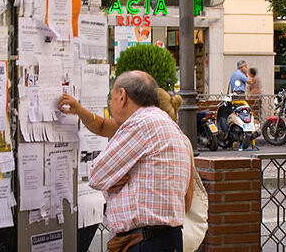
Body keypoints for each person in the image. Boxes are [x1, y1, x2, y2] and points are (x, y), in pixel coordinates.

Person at [58, 70, 192, 251]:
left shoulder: (141, 124)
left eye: (110, 97)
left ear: (122, 96)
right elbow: (103, 127)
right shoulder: (169, 126)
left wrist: (111, 181)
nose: (110, 104)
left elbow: (97, 175)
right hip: (164, 238)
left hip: (144, 241)